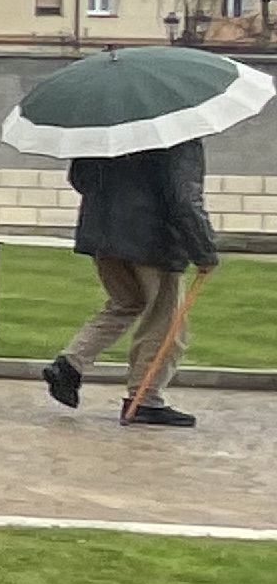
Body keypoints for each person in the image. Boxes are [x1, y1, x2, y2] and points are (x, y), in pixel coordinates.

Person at [49, 138, 220, 430]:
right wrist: (203, 250)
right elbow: (184, 198)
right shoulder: (177, 135)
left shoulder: (104, 129)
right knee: (165, 321)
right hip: (151, 240)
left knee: (125, 302)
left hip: (101, 234)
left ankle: (71, 363)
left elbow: (80, 178)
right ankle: (145, 398)